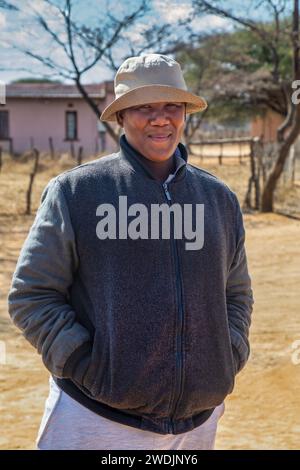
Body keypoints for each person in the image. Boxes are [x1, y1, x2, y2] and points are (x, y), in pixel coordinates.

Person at [7, 53, 254, 450]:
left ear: (185, 113)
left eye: (171, 105)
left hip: (197, 424)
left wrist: (229, 353)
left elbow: (236, 293)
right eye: (144, 107)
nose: (160, 118)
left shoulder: (218, 199)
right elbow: (32, 296)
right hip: (95, 418)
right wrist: (86, 366)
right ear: (121, 117)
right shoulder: (77, 193)